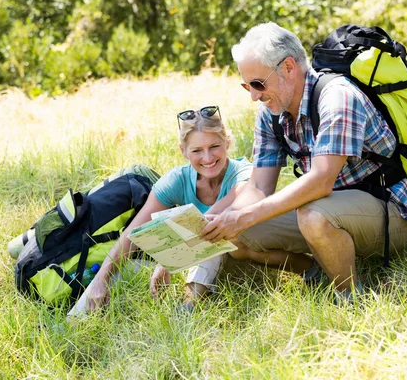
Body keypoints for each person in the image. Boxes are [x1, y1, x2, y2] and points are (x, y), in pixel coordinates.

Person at [201, 23, 407, 297]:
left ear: (288, 67)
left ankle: (350, 298)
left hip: (388, 211)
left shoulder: (337, 97)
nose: (253, 96)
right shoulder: (270, 113)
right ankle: (313, 269)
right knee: (237, 233)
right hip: (332, 207)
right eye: (246, 85)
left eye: (259, 84)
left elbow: (321, 181)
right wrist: (226, 218)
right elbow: (259, 187)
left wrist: (244, 216)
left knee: (312, 217)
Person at [86, 105, 313, 311]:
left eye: (214, 146)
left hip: (248, 262)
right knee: (119, 272)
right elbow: (133, 232)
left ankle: (189, 307)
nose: (207, 157)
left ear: (227, 143)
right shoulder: (177, 179)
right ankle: (84, 310)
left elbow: (209, 221)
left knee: (219, 233)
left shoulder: (245, 175)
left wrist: (170, 260)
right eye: (196, 151)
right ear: (183, 151)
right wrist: (100, 280)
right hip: (207, 264)